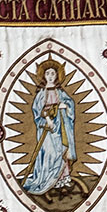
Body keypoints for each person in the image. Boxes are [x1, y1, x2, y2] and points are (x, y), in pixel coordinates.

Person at [20, 63, 78, 199]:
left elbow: (69, 105)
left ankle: (62, 180)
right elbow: (37, 111)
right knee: (49, 153)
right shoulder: (41, 94)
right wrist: (47, 119)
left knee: (62, 152)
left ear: (57, 75)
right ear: (43, 76)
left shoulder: (60, 92)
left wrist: (66, 106)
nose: (50, 76)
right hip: (48, 129)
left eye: (53, 73)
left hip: (61, 129)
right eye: (47, 73)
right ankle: (47, 179)